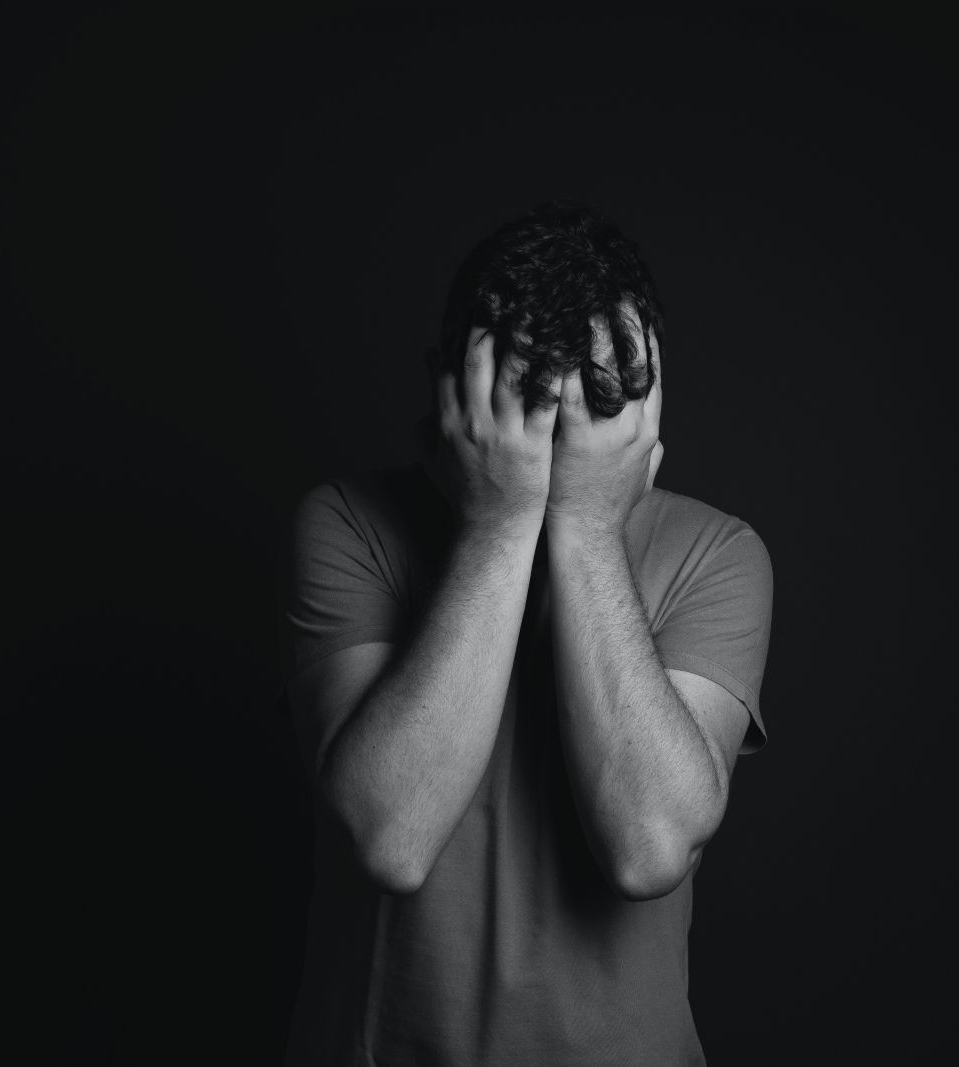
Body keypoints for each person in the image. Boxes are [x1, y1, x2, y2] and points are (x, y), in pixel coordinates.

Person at [278, 200, 774, 1065]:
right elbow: (391, 835)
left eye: (589, 408)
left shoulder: (719, 553)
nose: (551, 442)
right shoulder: (348, 524)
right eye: (528, 403)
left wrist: (586, 526)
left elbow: (650, 844)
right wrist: (501, 521)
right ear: (450, 392)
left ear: (645, 407)